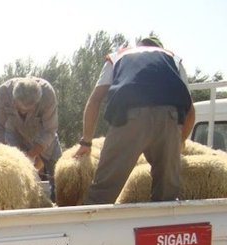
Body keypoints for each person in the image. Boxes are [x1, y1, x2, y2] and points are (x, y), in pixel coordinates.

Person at [74, 36, 195, 204]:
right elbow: (190, 110)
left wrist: (86, 142)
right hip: (169, 117)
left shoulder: (120, 56)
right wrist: (179, 142)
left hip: (130, 118)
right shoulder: (172, 59)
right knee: (167, 194)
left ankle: (91, 225)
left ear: (137, 47)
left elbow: (95, 99)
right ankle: (162, 226)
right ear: (160, 48)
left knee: (104, 190)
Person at [0, 76, 63, 200]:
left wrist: (31, 155)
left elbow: (49, 130)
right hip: (14, 136)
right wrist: (6, 154)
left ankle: (60, 207)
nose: (23, 112)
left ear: (37, 103)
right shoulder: (3, 93)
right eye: (19, 109)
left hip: (44, 139)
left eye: (28, 110)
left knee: (60, 175)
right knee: (7, 173)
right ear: (14, 99)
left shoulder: (48, 94)